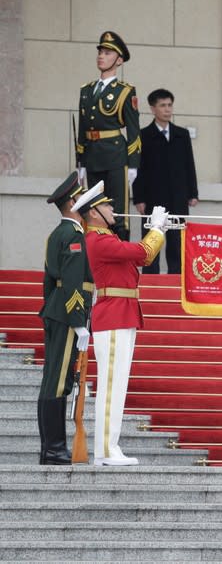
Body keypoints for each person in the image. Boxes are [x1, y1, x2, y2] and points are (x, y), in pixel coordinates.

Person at [72, 182, 168, 466]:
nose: (113, 209)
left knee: (117, 386)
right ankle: (104, 449)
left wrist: (157, 231)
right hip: (112, 316)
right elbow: (142, 253)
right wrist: (157, 230)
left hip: (121, 314)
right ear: (94, 213)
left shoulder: (106, 238)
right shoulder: (99, 240)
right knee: (111, 386)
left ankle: (109, 446)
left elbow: (142, 257)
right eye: (107, 205)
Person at [38, 172, 94, 465]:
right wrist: (77, 319)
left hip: (55, 310)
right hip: (68, 313)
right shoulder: (73, 235)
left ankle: (50, 447)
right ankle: (55, 448)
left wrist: (51, 309)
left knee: (51, 379)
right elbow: (72, 281)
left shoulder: (55, 234)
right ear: (73, 202)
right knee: (59, 381)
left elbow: (49, 280)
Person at [76, 31, 141, 241]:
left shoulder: (125, 91)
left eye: (107, 53)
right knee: (95, 210)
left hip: (115, 156)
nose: (101, 56)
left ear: (119, 60)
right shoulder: (86, 90)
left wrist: (133, 165)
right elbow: (83, 129)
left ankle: (121, 255)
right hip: (93, 156)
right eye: (100, 52)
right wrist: (81, 161)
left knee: (117, 213)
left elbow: (133, 131)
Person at [133, 88, 199, 274]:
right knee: (151, 241)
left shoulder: (181, 134)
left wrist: (193, 192)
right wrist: (138, 198)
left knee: (177, 242)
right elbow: (137, 169)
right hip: (153, 197)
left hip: (178, 196)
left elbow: (189, 164)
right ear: (153, 109)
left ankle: (176, 281)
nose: (167, 109)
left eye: (170, 105)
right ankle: (150, 281)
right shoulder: (143, 135)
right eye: (162, 105)